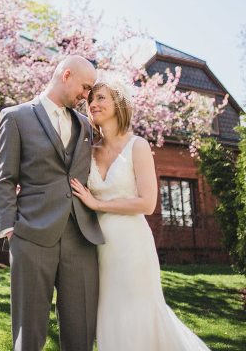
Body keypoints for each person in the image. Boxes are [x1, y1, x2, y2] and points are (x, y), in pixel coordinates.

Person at [70, 74, 211, 350]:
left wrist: (99, 204)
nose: (93, 104)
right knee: (109, 314)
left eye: (101, 98)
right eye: (90, 99)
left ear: (119, 104)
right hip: (97, 246)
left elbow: (147, 203)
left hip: (131, 243)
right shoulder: (88, 149)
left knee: (138, 312)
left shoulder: (138, 146)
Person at [0, 55, 104, 351]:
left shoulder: (86, 126)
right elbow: (4, 178)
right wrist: (8, 229)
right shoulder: (16, 117)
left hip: (80, 238)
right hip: (31, 236)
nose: (86, 96)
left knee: (81, 333)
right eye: (85, 87)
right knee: (28, 334)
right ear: (66, 75)